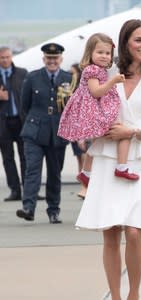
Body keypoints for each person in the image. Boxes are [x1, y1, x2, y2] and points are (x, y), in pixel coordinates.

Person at [75, 19, 141, 300]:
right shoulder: (104, 75)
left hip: (137, 160)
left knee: (135, 232)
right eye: (138, 40)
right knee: (111, 232)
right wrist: (93, 130)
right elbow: (88, 107)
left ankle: (134, 294)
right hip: (106, 156)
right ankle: (115, 295)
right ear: (125, 42)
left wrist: (133, 131)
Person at [58, 33, 139, 186]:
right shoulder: (92, 70)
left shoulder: (98, 70)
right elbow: (96, 92)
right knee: (124, 133)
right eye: (100, 52)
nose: (104, 56)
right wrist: (113, 81)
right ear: (90, 53)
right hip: (94, 111)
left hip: (95, 109)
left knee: (97, 143)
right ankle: (121, 167)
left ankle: (86, 173)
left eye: (107, 53)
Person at [15, 43, 72, 224]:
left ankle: (53, 210)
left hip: (58, 133)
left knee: (55, 173)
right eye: (49, 58)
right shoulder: (33, 78)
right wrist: (33, 124)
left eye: (55, 58)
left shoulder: (69, 79)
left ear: (61, 59)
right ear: (44, 59)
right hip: (34, 132)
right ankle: (28, 207)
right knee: (33, 170)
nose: (52, 61)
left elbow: (72, 108)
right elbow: (24, 106)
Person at [0, 46, 27, 201]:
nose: (5, 60)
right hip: (3, 123)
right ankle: (15, 191)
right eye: (2, 57)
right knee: (7, 158)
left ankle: (29, 189)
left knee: (26, 157)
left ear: (11, 57)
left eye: (7, 57)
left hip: (20, 121)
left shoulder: (22, 73)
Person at [68, 63, 88, 199]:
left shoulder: (83, 90)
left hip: (83, 127)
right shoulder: (70, 89)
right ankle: (83, 182)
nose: (71, 76)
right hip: (74, 127)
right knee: (79, 157)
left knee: (85, 156)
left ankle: (86, 185)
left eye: (72, 73)